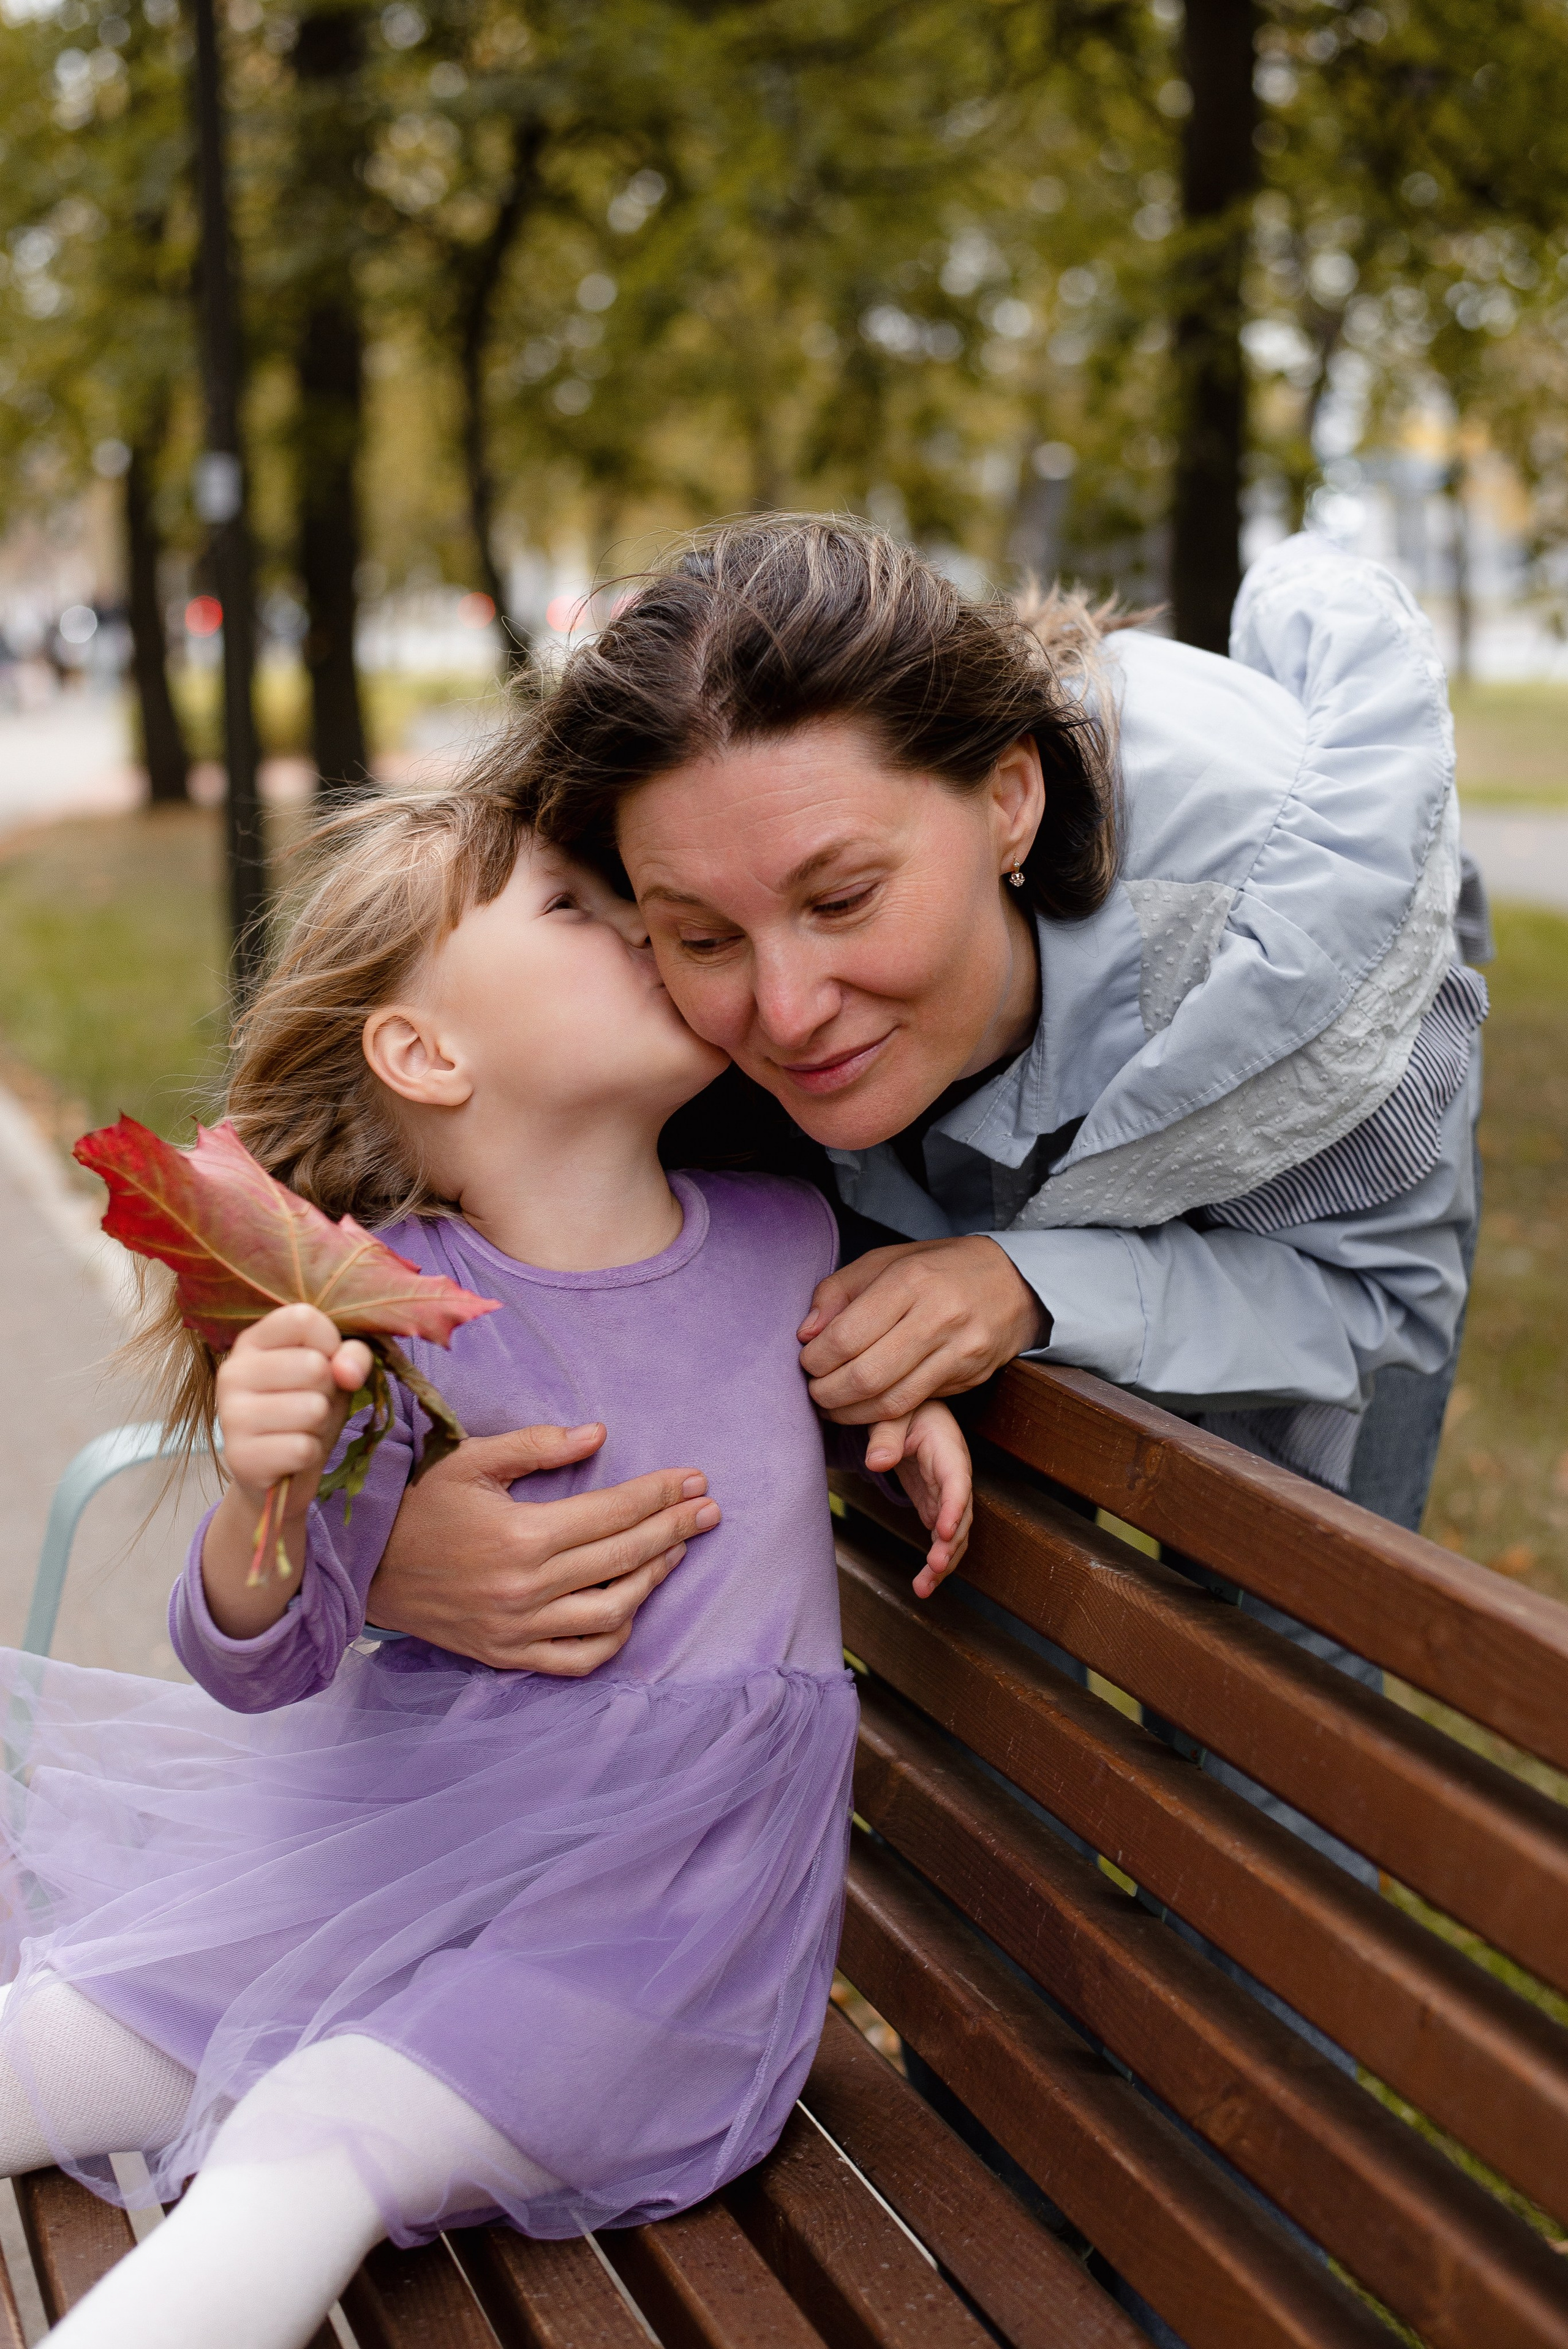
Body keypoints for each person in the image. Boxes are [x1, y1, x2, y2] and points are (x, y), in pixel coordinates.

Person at [0, 785, 971, 2349]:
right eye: (576, 908)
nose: (641, 928)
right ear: (426, 1053)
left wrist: (911, 1384)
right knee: (54, 2036)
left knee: (307, 2133)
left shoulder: (790, 1235)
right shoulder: (387, 1308)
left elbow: (878, 1346)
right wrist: (268, 1487)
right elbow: (264, 1652)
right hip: (397, 1848)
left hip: (652, 1932)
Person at [374, 516, 1482, 1643]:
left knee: (1293, 1654)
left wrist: (1031, 1283)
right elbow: (358, 1196)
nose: (790, 1013)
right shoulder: (642, 974)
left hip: (1301, 1109)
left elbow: (1378, 1301)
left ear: (1008, 799)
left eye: (843, 898)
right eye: (703, 938)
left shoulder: (1302, 950)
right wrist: (380, 1552)